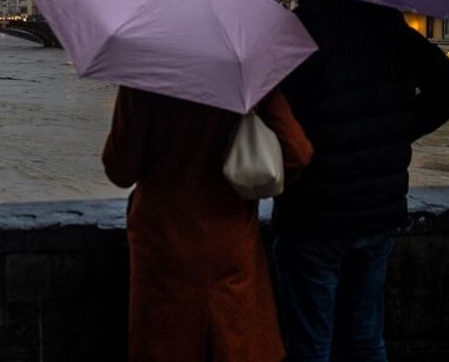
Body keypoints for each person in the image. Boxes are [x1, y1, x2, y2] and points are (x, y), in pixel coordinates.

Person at [273, 0, 449, 362]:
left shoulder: (299, 31)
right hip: (378, 214)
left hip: (314, 215)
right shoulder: (388, 26)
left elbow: (274, 110)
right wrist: (398, 129)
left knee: (311, 344)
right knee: (365, 339)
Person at [102, 86, 312, 362]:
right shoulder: (247, 81)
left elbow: (120, 170)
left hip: (164, 244)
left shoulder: (145, 82)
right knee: (237, 343)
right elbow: (298, 153)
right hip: (229, 241)